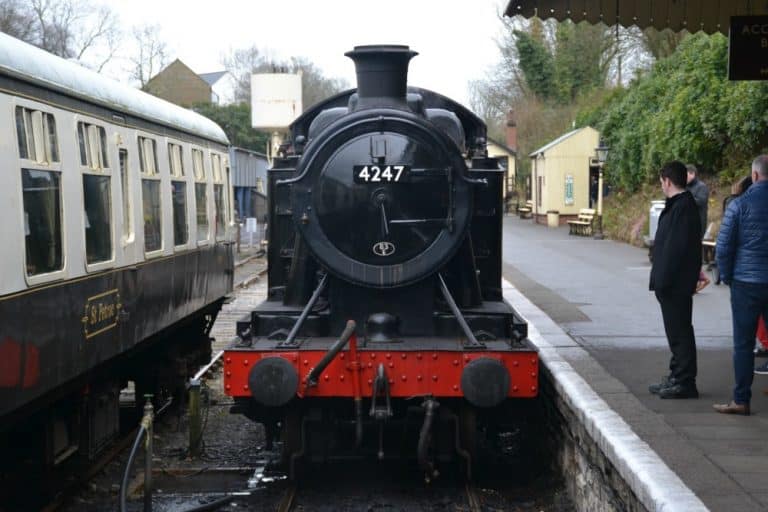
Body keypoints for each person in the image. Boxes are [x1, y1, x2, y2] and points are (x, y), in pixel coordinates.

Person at [713, 155, 768, 415]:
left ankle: (741, 400)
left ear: (754, 176)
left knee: (743, 344)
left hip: (745, 282)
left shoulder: (739, 204)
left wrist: (726, 276)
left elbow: (723, 246)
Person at [648, 161, 702, 399]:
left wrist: (663, 280)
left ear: (667, 181)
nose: (661, 185)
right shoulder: (680, 206)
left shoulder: (682, 207)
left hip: (675, 283)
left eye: (661, 181)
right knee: (677, 331)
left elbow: (676, 248)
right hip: (673, 282)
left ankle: (684, 381)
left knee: (680, 332)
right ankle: (676, 375)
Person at [686, 164, 710, 292]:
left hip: (698, 225)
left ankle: (698, 280)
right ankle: (699, 278)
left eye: (686, 175)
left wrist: (685, 196)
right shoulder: (685, 187)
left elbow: (700, 201)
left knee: (694, 254)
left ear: (692, 174)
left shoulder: (702, 187)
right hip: (686, 225)